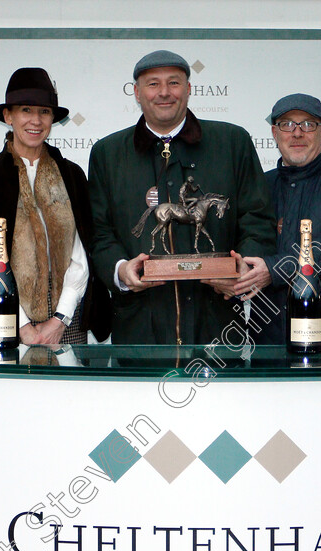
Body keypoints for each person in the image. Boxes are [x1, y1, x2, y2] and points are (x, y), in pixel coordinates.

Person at [88, 49, 275, 344]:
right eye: (153, 84)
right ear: (137, 93)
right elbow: (99, 232)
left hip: (218, 326)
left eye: (174, 83)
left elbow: (257, 218)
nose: (164, 93)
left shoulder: (232, 142)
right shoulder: (107, 154)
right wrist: (120, 270)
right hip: (139, 330)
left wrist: (244, 266)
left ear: (188, 90)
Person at [0, 67, 111, 345]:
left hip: (66, 324)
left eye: (44, 112)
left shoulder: (71, 175)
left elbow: (81, 253)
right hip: (3, 320)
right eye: (26, 110)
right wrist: (21, 325)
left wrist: (60, 319)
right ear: (8, 116)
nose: (36, 120)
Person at [233, 94, 321, 345]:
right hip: (269, 339)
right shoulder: (261, 185)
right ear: (275, 134)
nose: (297, 133)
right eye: (287, 124)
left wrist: (273, 270)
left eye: (308, 124)